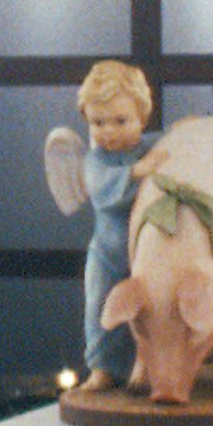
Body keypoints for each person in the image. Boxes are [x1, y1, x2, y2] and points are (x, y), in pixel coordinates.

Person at [69, 60, 155, 392]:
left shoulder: (154, 147)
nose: (108, 131)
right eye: (98, 122)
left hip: (147, 254)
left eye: (120, 121)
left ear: (142, 117)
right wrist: (138, 172)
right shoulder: (95, 161)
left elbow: (176, 149)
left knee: (149, 313)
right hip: (109, 253)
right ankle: (102, 368)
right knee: (100, 308)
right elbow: (103, 191)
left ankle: (147, 366)